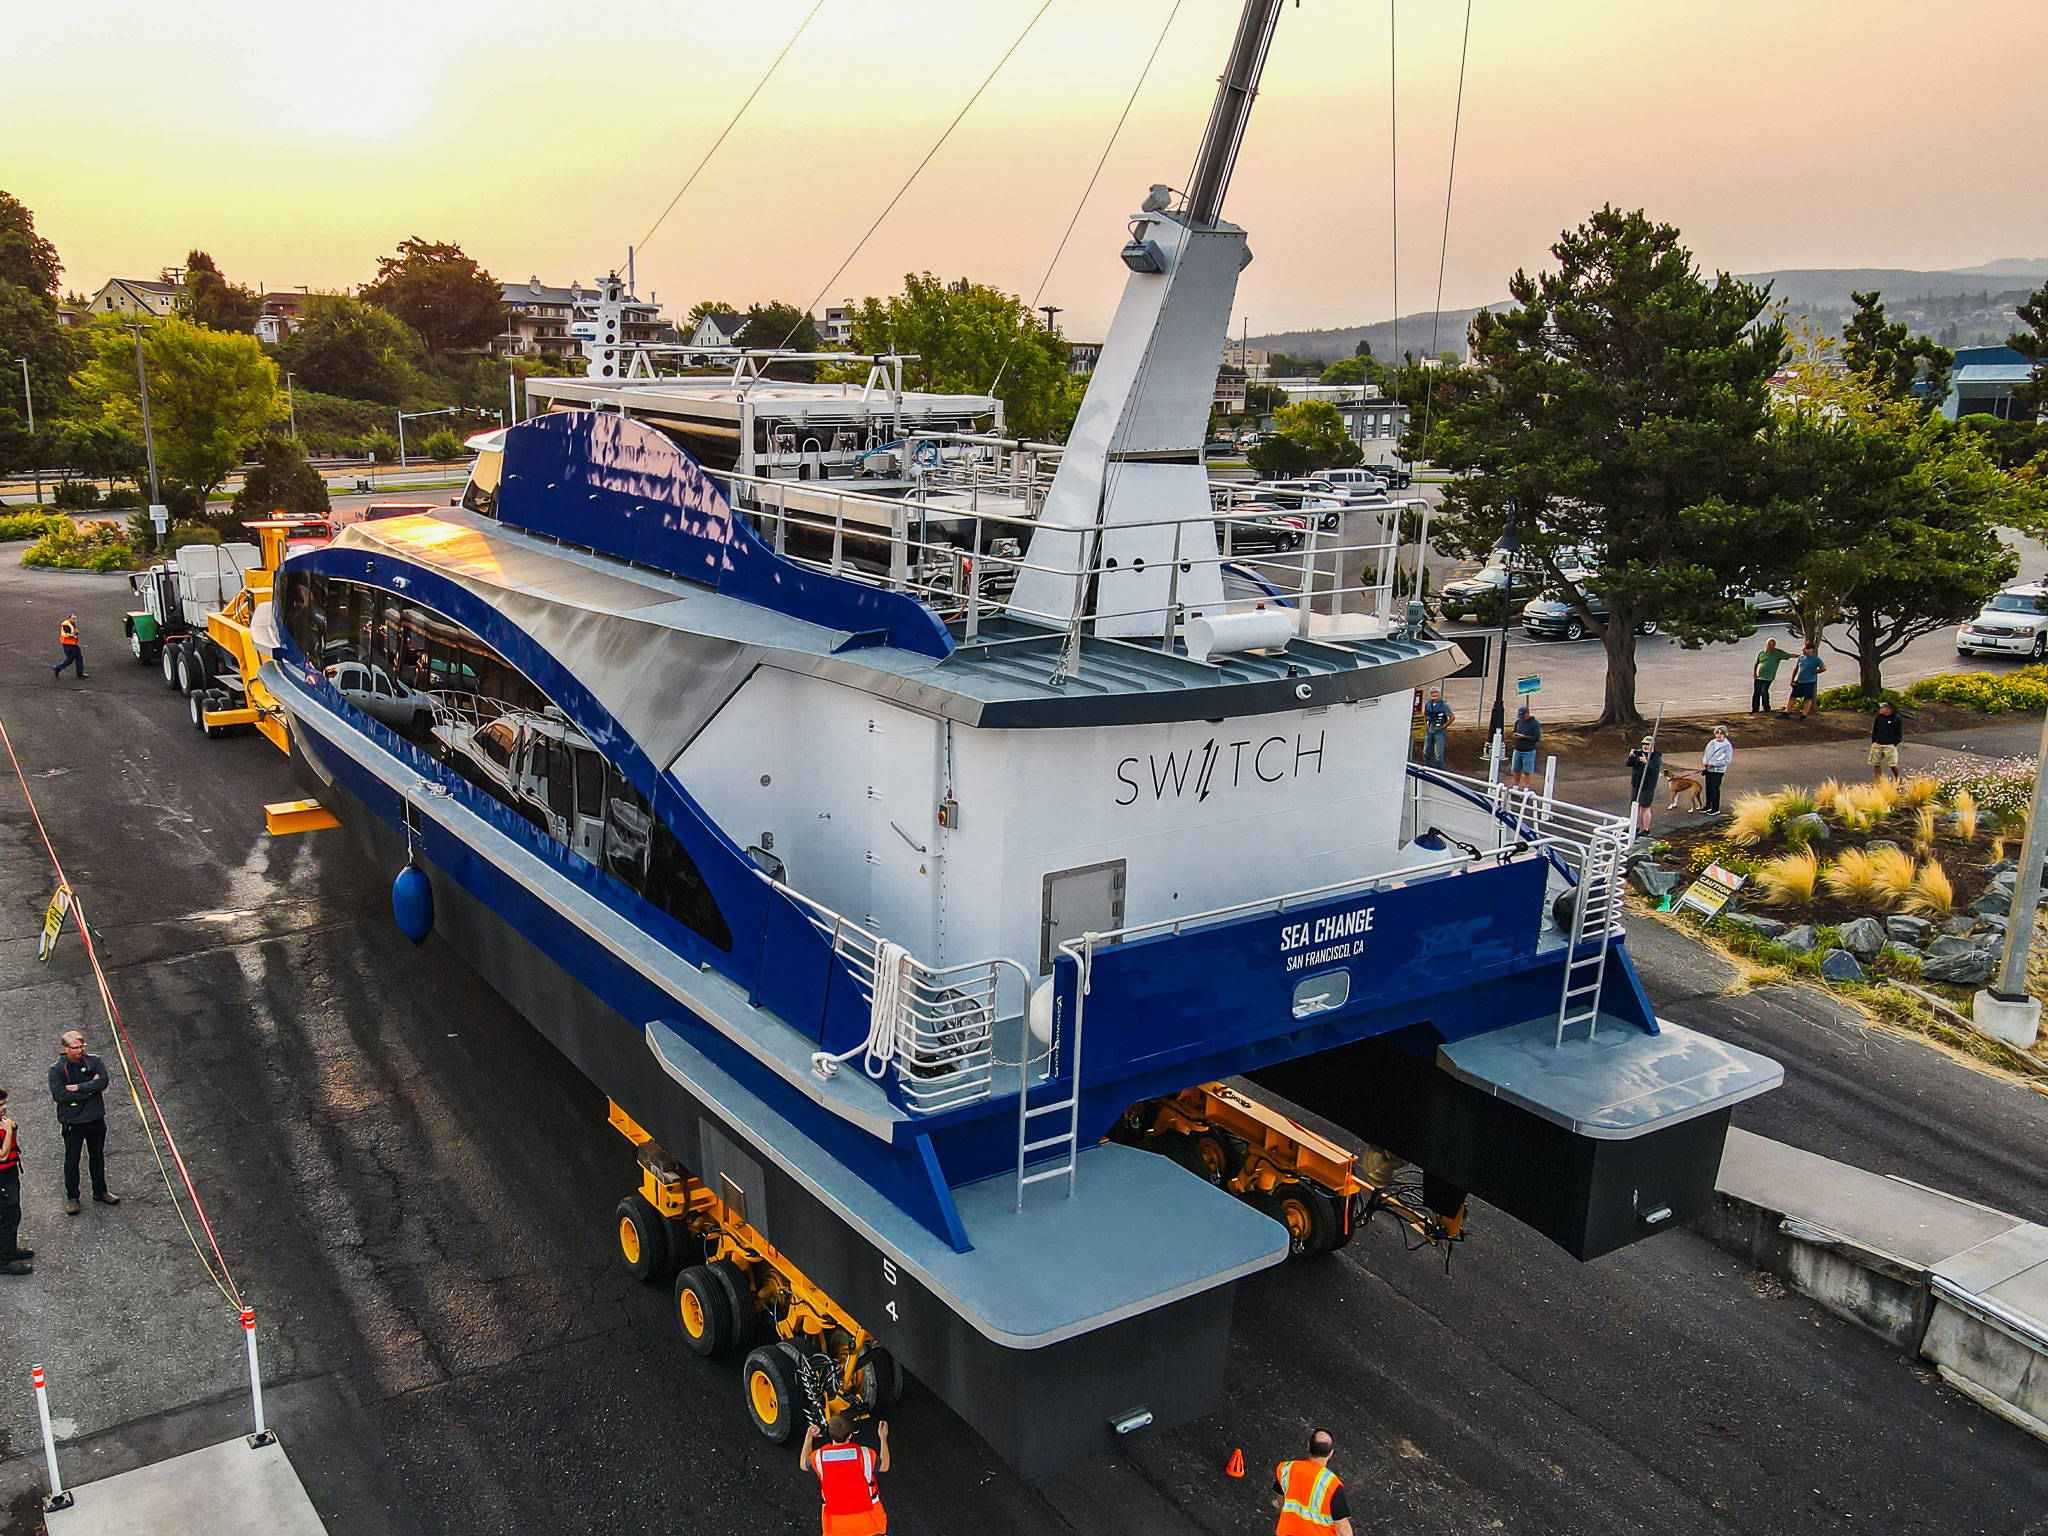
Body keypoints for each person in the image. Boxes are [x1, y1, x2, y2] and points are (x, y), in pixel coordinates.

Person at [48, 1031, 119, 1215]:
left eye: (82, 1046)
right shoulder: (56, 1071)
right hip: (73, 1121)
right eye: (75, 1048)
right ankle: (73, 1197)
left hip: (95, 1118)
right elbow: (60, 1095)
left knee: (97, 1155)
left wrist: (79, 1088)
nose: (80, 1051)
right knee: (72, 1158)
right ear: (65, 1049)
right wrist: (90, 1091)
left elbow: (102, 1082)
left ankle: (100, 1190)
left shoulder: (94, 1061)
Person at [801, 1411, 889, 1536]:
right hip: (869, 1524)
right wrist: (883, 1438)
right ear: (850, 1435)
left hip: (836, 1527)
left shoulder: (818, 1457)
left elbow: (803, 1464)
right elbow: (884, 1466)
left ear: (830, 1434)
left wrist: (809, 1437)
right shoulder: (866, 1455)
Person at [1273, 1428, 1354, 1536]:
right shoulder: (1331, 1485)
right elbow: (1343, 1531)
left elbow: (1280, 1500)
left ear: (1308, 1446)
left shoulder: (1287, 1469)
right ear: (1330, 1453)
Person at [0, 1089, 30, 1276]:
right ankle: (4, 1260)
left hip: (9, 1173)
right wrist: (9, 1130)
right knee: (7, 1216)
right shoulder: (4, 1126)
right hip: (2, 1176)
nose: (4, 1108)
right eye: (1, 1105)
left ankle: (9, 1249)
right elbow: (2, 1155)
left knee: (13, 1213)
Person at [1627, 735, 1664, 834]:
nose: (1645, 746)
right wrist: (1631, 757)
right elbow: (1629, 764)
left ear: (1652, 745)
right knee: (1635, 806)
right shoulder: (1639, 753)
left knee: (1645, 807)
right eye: (1643, 744)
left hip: (1647, 785)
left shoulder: (1656, 756)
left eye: (1647, 744)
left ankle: (1646, 829)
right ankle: (1635, 827)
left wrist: (1646, 762)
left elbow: (1654, 771)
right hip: (1636, 783)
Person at [1786, 643, 1826, 720]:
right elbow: (1796, 668)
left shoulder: (1815, 659)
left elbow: (1824, 668)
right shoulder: (1801, 658)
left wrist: (1815, 672)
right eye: (1803, 648)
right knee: (1792, 697)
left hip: (1809, 681)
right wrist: (1792, 679)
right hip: (1800, 681)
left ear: (1811, 650)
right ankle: (1786, 712)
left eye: (1805, 649)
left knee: (1807, 698)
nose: (1803, 650)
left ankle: (1804, 715)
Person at [1701, 725, 1734, 815]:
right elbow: (1706, 753)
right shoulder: (1711, 742)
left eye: (1721, 733)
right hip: (1709, 769)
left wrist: (1714, 764)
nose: (1719, 735)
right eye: (1717, 733)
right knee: (1708, 788)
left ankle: (1715, 808)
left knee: (1715, 788)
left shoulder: (1727, 746)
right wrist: (1705, 761)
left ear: (1724, 734)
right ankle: (1708, 805)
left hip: (1718, 771)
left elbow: (1727, 760)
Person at [1870, 700, 1904, 785]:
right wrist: (1874, 741)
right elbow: (1875, 729)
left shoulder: (1896, 718)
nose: (1880, 709)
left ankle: (1898, 778)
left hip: (1889, 745)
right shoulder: (1879, 717)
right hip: (1878, 743)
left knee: (1892, 764)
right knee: (1876, 763)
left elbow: (1898, 733)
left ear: (1889, 710)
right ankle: (1878, 781)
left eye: (1883, 707)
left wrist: (1894, 743)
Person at [1509, 704, 1540, 790]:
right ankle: (1515, 786)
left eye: (1523, 715)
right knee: (1516, 769)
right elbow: (1514, 731)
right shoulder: (1518, 722)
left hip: (1528, 750)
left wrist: (1524, 737)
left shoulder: (1535, 724)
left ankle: (1526, 787)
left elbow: (1536, 738)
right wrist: (1515, 736)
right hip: (1518, 749)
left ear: (1527, 714)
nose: (1521, 718)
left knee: (1527, 771)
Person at [1421, 686, 1453, 769]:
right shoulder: (1428, 704)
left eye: (1436, 692)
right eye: (1432, 693)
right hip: (1429, 730)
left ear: (1439, 694)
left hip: (1439, 732)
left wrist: (1444, 726)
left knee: (1438, 755)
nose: (1434, 694)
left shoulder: (1444, 705)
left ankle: (1440, 771)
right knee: (1426, 752)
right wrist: (1425, 724)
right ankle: (1428, 769)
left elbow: (1452, 717)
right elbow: (1424, 714)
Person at [1750, 638, 1784, 713]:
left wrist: (1801, 656)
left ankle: (1766, 708)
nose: (1770, 646)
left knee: (1764, 691)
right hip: (1759, 676)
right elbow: (1756, 663)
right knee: (1756, 692)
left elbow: (1788, 655)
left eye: (1771, 644)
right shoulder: (1761, 653)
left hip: (1768, 677)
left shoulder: (1778, 653)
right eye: (1768, 644)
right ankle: (1755, 709)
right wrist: (1754, 673)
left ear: (1774, 645)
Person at [52, 613, 87, 680]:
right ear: (69, 618)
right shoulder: (66, 625)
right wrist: (75, 634)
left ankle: (80, 673)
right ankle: (57, 668)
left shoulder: (71, 623)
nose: (74, 620)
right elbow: (68, 635)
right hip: (68, 645)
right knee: (70, 660)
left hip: (73, 644)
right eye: (73, 618)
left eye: (75, 619)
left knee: (79, 658)